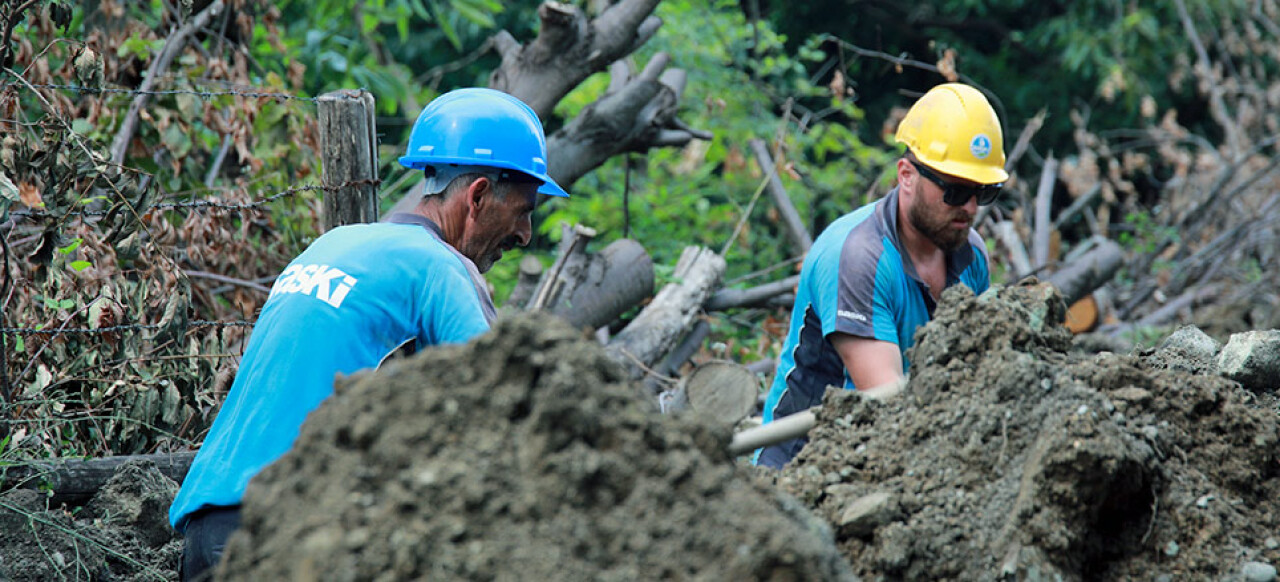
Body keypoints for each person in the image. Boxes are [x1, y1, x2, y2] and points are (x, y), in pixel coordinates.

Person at [169, 87, 568, 580]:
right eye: (525, 210)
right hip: (291, 536)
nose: (525, 234)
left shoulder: (335, 244)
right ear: (479, 195)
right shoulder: (440, 268)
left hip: (209, 529)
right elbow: (504, 408)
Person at [754, 83, 1008, 469]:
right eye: (956, 191)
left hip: (897, 457)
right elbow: (888, 402)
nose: (971, 208)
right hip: (805, 466)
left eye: (983, 193)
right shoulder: (858, 257)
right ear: (906, 175)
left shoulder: (970, 254)